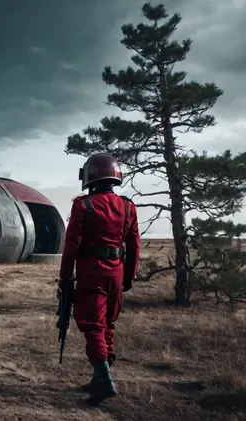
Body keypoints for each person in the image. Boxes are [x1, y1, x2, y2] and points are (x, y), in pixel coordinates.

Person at [58, 153, 140, 406]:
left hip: (91, 272)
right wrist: (128, 276)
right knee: (107, 323)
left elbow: (71, 246)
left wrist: (65, 278)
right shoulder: (128, 207)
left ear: (89, 176)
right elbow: (133, 245)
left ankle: (104, 378)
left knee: (92, 325)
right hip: (116, 272)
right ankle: (99, 375)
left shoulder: (83, 205)